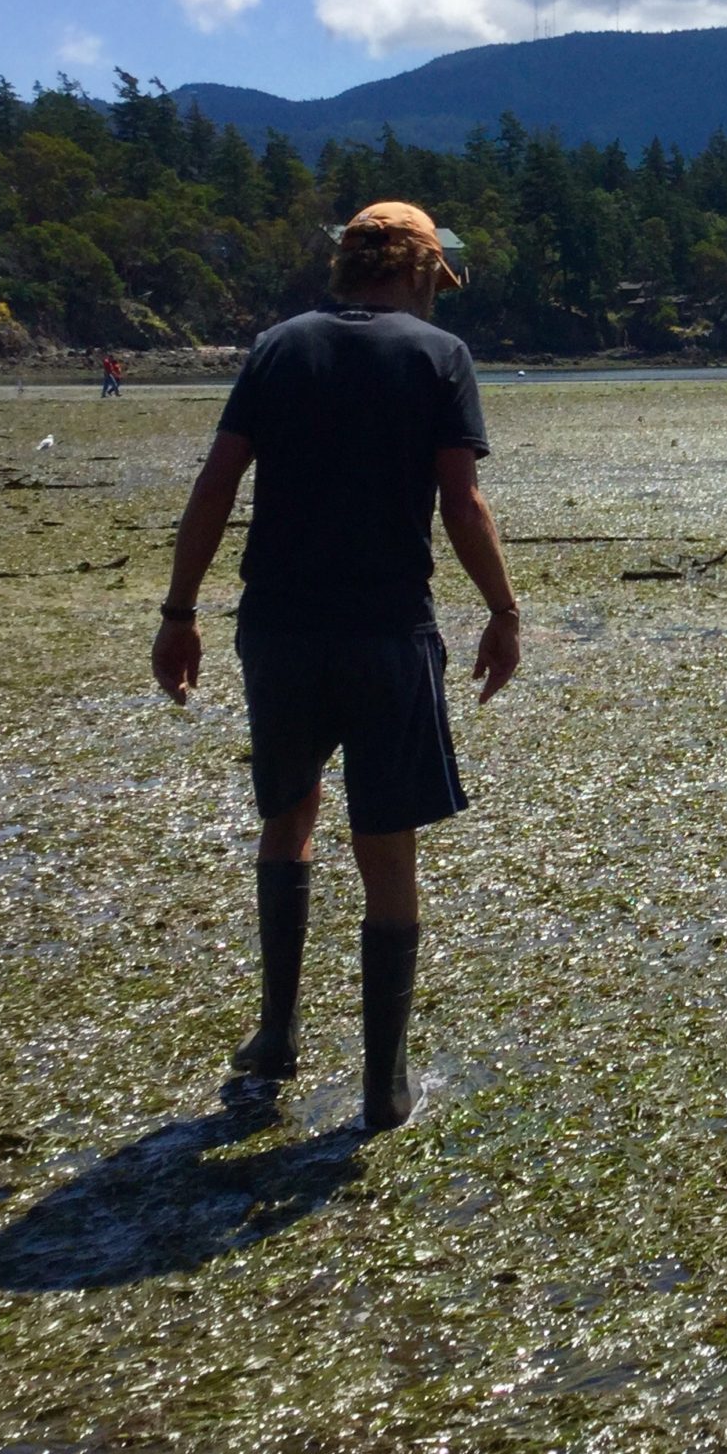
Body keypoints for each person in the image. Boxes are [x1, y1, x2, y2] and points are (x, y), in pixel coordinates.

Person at [152, 201, 519, 1128]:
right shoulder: (439, 357)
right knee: (385, 847)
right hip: (387, 632)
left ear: (348, 265)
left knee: (289, 818)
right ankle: (383, 1084)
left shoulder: (281, 347)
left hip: (279, 631)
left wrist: (180, 611)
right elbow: (462, 505)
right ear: (423, 270)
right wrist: (505, 611)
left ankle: (276, 1037)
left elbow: (217, 481)